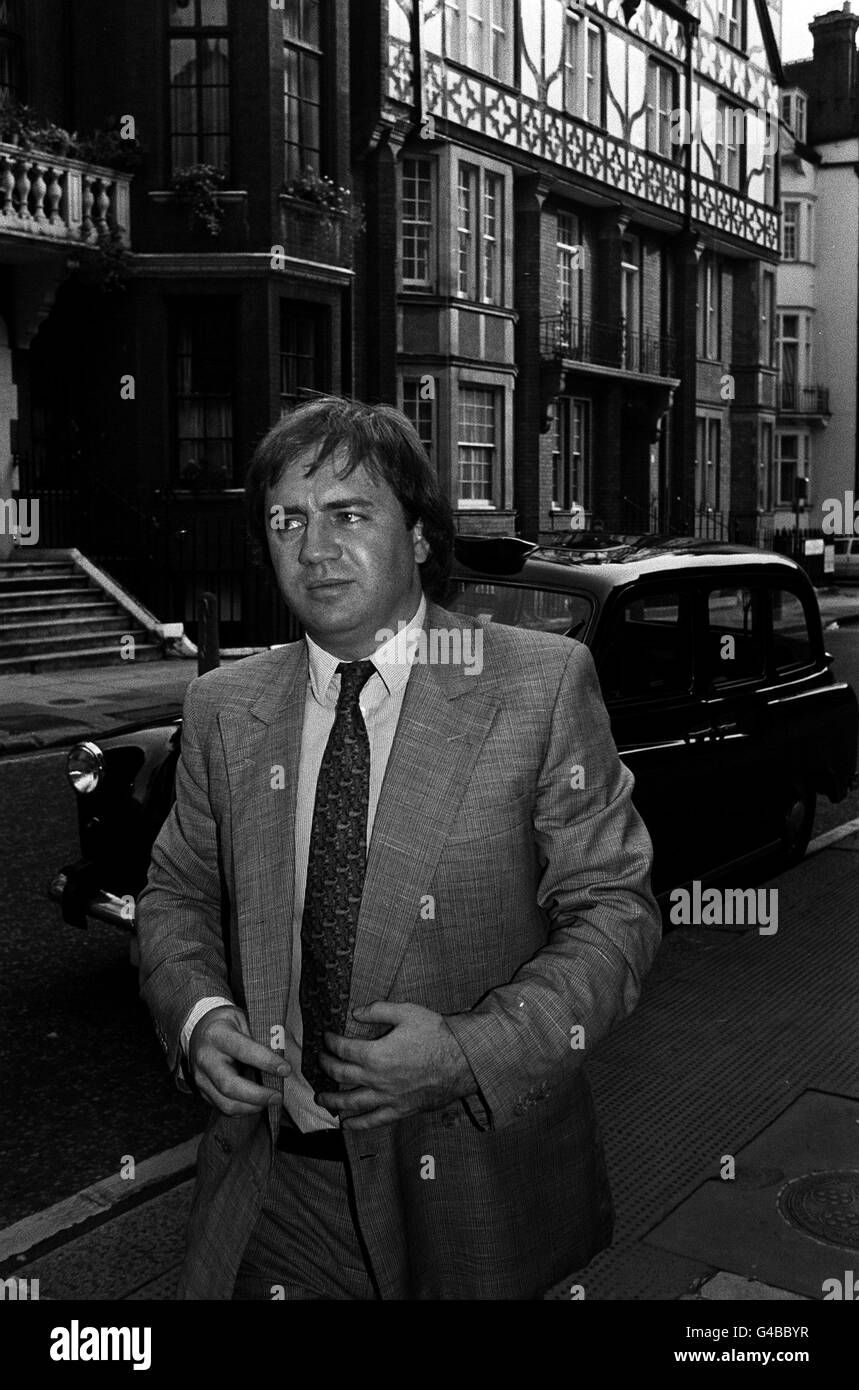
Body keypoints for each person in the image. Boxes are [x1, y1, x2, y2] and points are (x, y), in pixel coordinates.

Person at [137, 396, 662, 1301]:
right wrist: (199, 1016)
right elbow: (175, 893)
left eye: (348, 514)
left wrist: (470, 1050)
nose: (312, 547)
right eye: (286, 519)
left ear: (418, 536)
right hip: (276, 1180)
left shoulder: (535, 684)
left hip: (466, 1172)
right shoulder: (224, 707)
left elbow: (615, 914)